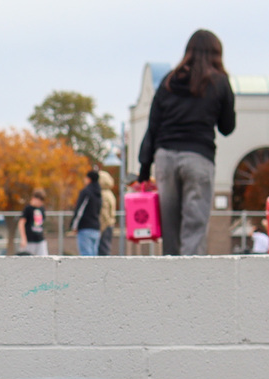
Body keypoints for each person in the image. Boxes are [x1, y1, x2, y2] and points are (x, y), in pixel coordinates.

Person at [137, 29, 235, 256]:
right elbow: (227, 127)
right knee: (194, 227)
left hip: (165, 159)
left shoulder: (169, 81)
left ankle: (172, 284)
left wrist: (144, 169)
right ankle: (192, 285)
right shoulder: (219, 82)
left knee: (170, 229)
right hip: (198, 158)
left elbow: (153, 125)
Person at [68, 168, 102, 256]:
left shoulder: (86, 192)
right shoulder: (98, 193)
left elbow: (80, 210)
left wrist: (74, 225)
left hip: (85, 227)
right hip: (96, 228)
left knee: (86, 255)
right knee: (94, 256)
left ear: (89, 179)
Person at [18, 188, 47, 255]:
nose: (41, 203)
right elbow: (21, 223)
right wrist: (23, 238)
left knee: (44, 259)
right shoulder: (28, 209)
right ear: (34, 198)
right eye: (40, 201)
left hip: (40, 240)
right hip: (29, 241)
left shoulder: (42, 208)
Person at [98, 170, 117, 255]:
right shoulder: (110, 193)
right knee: (106, 246)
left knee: (103, 249)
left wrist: (102, 226)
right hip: (110, 223)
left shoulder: (103, 195)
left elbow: (104, 212)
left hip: (105, 225)